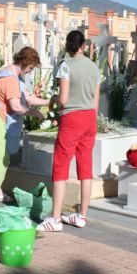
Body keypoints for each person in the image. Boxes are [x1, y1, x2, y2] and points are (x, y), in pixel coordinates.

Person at [36, 30, 101, 232]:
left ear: (68, 46)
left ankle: (55, 219)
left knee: (61, 167)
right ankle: (82, 216)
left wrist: (54, 99)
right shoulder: (94, 67)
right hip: (90, 117)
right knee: (85, 167)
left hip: (72, 118)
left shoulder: (66, 66)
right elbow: (96, 103)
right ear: (83, 45)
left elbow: (63, 99)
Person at [0, 46, 51, 202]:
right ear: (22, 62)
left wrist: (49, 102)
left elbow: (27, 98)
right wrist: (33, 113)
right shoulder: (9, 79)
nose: (30, 71)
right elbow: (16, 106)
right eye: (30, 67)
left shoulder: (15, 75)